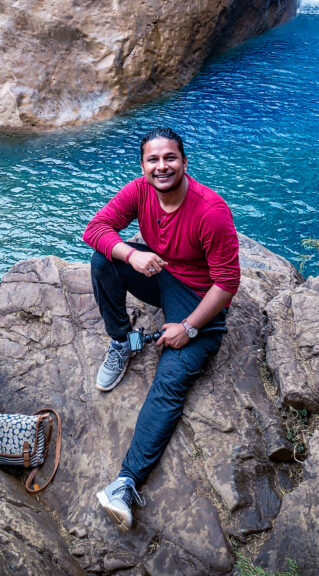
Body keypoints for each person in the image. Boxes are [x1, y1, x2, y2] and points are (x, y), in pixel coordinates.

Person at [83, 127, 240, 531]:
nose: (161, 166)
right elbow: (95, 230)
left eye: (170, 158)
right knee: (104, 261)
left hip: (198, 297)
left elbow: (226, 283)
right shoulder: (139, 191)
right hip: (160, 273)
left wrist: (188, 327)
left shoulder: (211, 211)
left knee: (170, 379)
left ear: (184, 162)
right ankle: (121, 340)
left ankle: (125, 482)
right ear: (143, 166)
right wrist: (132, 256)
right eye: (152, 160)